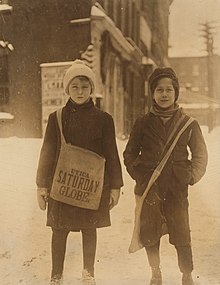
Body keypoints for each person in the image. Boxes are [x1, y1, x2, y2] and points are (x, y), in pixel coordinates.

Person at [36, 59, 123, 285]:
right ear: (67, 89)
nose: (80, 91)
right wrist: (41, 185)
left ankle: (88, 272)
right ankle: (56, 275)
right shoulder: (57, 118)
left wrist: (115, 187)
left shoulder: (104, 120)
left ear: (92, 89)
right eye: (74, 86)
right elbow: (47, 152)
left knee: (89, 228)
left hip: (92, 185)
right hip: (62, 182)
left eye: (85, 87)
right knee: (59, 229)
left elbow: (111, 154)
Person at [123, 67, 208, 285]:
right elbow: (130, 153)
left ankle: (187, 273)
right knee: (150, 231)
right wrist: (140, 175)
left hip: (176, 188)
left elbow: (200, 155)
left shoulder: (188, 123)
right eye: (159, 90)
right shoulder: (142, 122)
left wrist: (190, 176)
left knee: (181, 233)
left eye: (169, 90)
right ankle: (155, 271)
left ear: (176, 93)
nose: (164, 94)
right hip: (150, 186)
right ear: (152, 93)